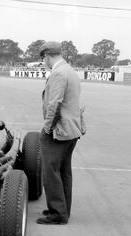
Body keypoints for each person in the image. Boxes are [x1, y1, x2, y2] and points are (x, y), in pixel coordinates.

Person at [36, 41, 85, 225]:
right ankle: (63, 210)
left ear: (47, 55)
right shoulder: (70, 70)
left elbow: (54, 104)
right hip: (72, 129)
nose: (44, 63)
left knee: (50, 171)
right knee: (64, 171)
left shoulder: (58, 73)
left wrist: (47, 128)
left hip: (59, 130)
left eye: (43, 59)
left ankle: (57, 214)